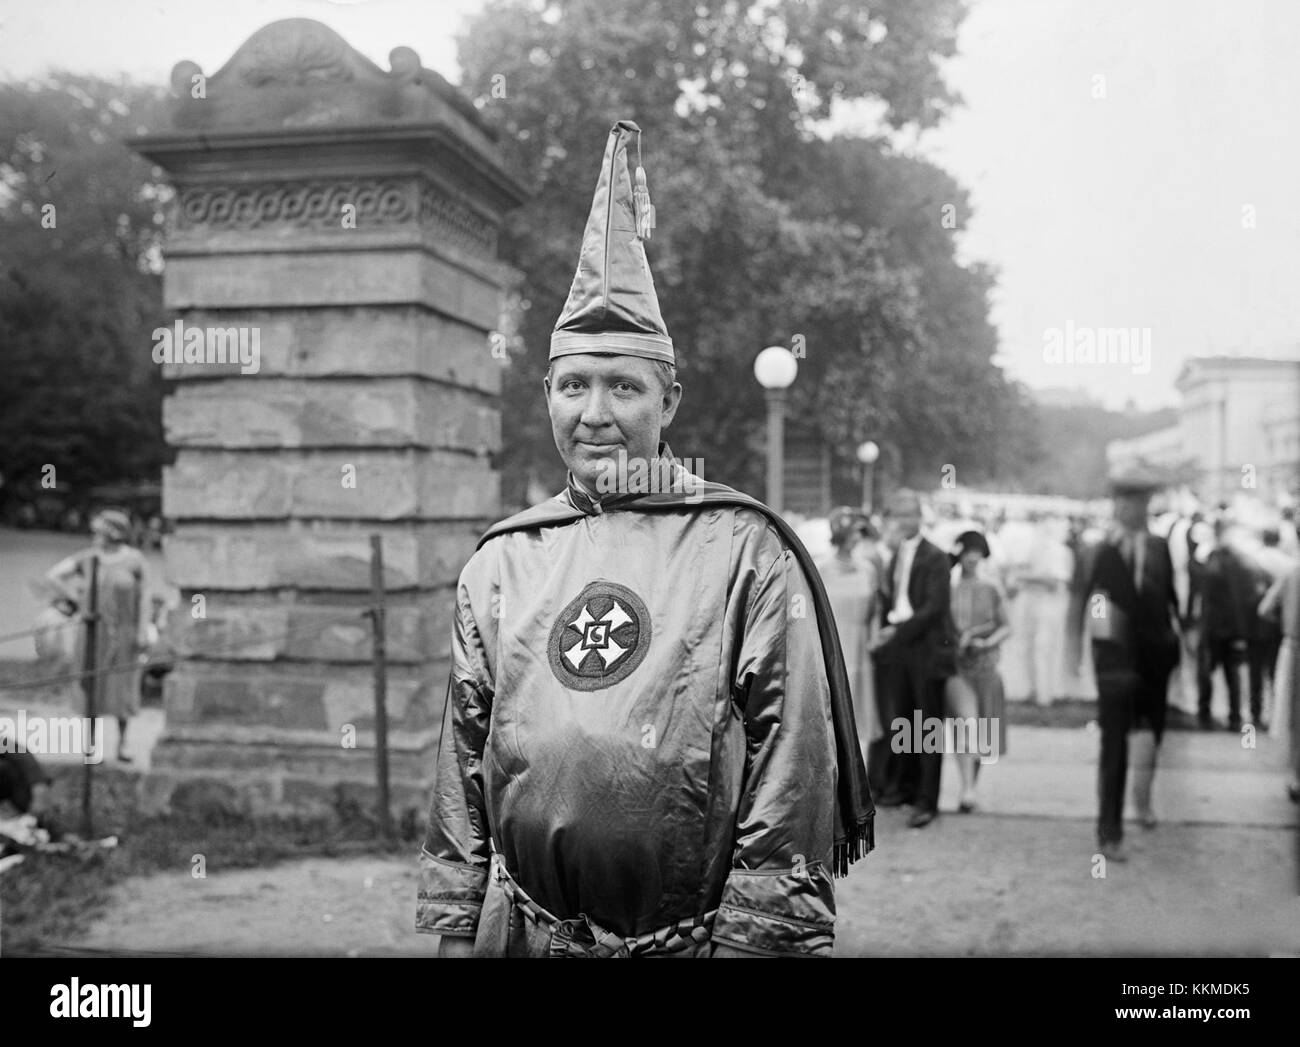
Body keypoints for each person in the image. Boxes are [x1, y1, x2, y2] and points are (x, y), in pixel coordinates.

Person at [416, 121, 873, 959]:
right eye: (575, 385)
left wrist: (752, 940)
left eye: (624, 385)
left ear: (669, 401)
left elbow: (792, 767)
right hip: (524, 936)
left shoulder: (744, 549)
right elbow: (463, 762)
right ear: (547, 392)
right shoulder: (502, 561)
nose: (596, 413)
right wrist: (455, 926)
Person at [1067, 464, 1180, 861]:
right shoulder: (1099, 549)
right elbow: (1087, 603)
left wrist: (1173, 647)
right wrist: (1086, 657)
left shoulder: (1159, 547)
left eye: (1143, 500)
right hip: (1115, 666)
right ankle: (1109, 831)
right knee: (1114, 746)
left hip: (1155, 663)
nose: (1136, 508)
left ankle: (1144, 801)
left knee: (1151, 736)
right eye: (1128, 500)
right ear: (1116, 503)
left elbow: (1168, 603)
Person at [869, 489, 957, 828]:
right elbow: (896, 601)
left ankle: (927, 800)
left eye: (910, 515)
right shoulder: (896, 555)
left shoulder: (935, 556)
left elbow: (934, 608)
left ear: (920, 517)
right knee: (904, 721)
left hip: (927, 650)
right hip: (902, 650)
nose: (904, 521)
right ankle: (904, 788)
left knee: (928, 727)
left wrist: (897, 632)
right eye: (898, 515)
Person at [45, 508, 149, 763]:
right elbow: (54, 575)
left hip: (124, 634)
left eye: (100, 532)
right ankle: (92, 747)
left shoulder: (134, 560)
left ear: (113, 533)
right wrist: (77, 600)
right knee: (92, 688)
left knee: (121, 689)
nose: (95, 537)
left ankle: (122, 745)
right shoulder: (89, 558)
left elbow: (144, 597)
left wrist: (142, 630)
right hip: (93, 634)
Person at [947, 529, 1011, 812]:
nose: (971, 560)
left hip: (985, 666)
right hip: (957, 666)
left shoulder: (991, 587)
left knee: (980, 731)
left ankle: (970, 785)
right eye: (967, 554)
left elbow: (1007, 625)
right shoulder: (948, 587)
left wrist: (986, 641)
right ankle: (967, 788)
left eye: (977, 555)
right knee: (965, 722)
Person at [817, 507, 882, 767]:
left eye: (860, 533)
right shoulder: (822, 567)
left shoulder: (868, 569)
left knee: (860, 707)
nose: (857, 538)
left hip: (860, 643)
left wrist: (874, 637)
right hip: (832, 642)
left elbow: (876, 608)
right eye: (853, 532)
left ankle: (859, 771)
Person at [1191, 520, 1255, 731]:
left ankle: (1205, 715)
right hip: (1230, 628)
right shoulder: (1239, 565)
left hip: (1213, 628)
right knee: (1231, 675)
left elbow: (1206, 594)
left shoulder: (1213, 562)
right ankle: (1233, 717)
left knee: (1208, 673)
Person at [1259, 557, 1300, 802]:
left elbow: (1265, 609)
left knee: (1294, 716)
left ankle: (1296, 776)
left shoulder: (1292, 573)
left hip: (1293, 647)